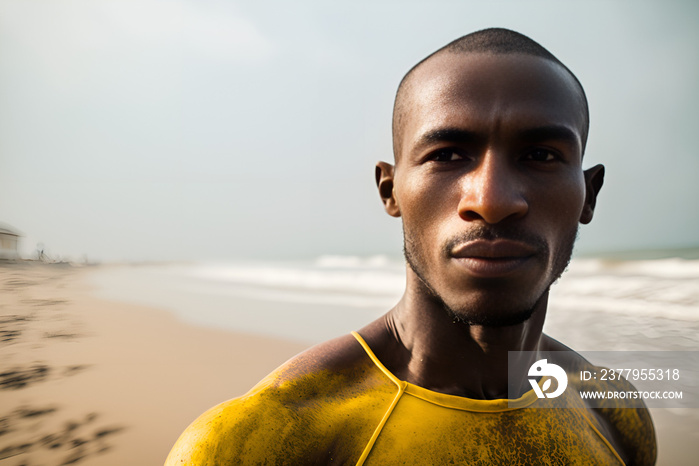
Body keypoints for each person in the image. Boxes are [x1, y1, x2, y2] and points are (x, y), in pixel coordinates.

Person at [166, 28, 656, 465]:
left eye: (541, 155)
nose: (492, 200)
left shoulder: (613, 410)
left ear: (588, 195)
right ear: (390, 190)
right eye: (446, 155)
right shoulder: (259, 442)